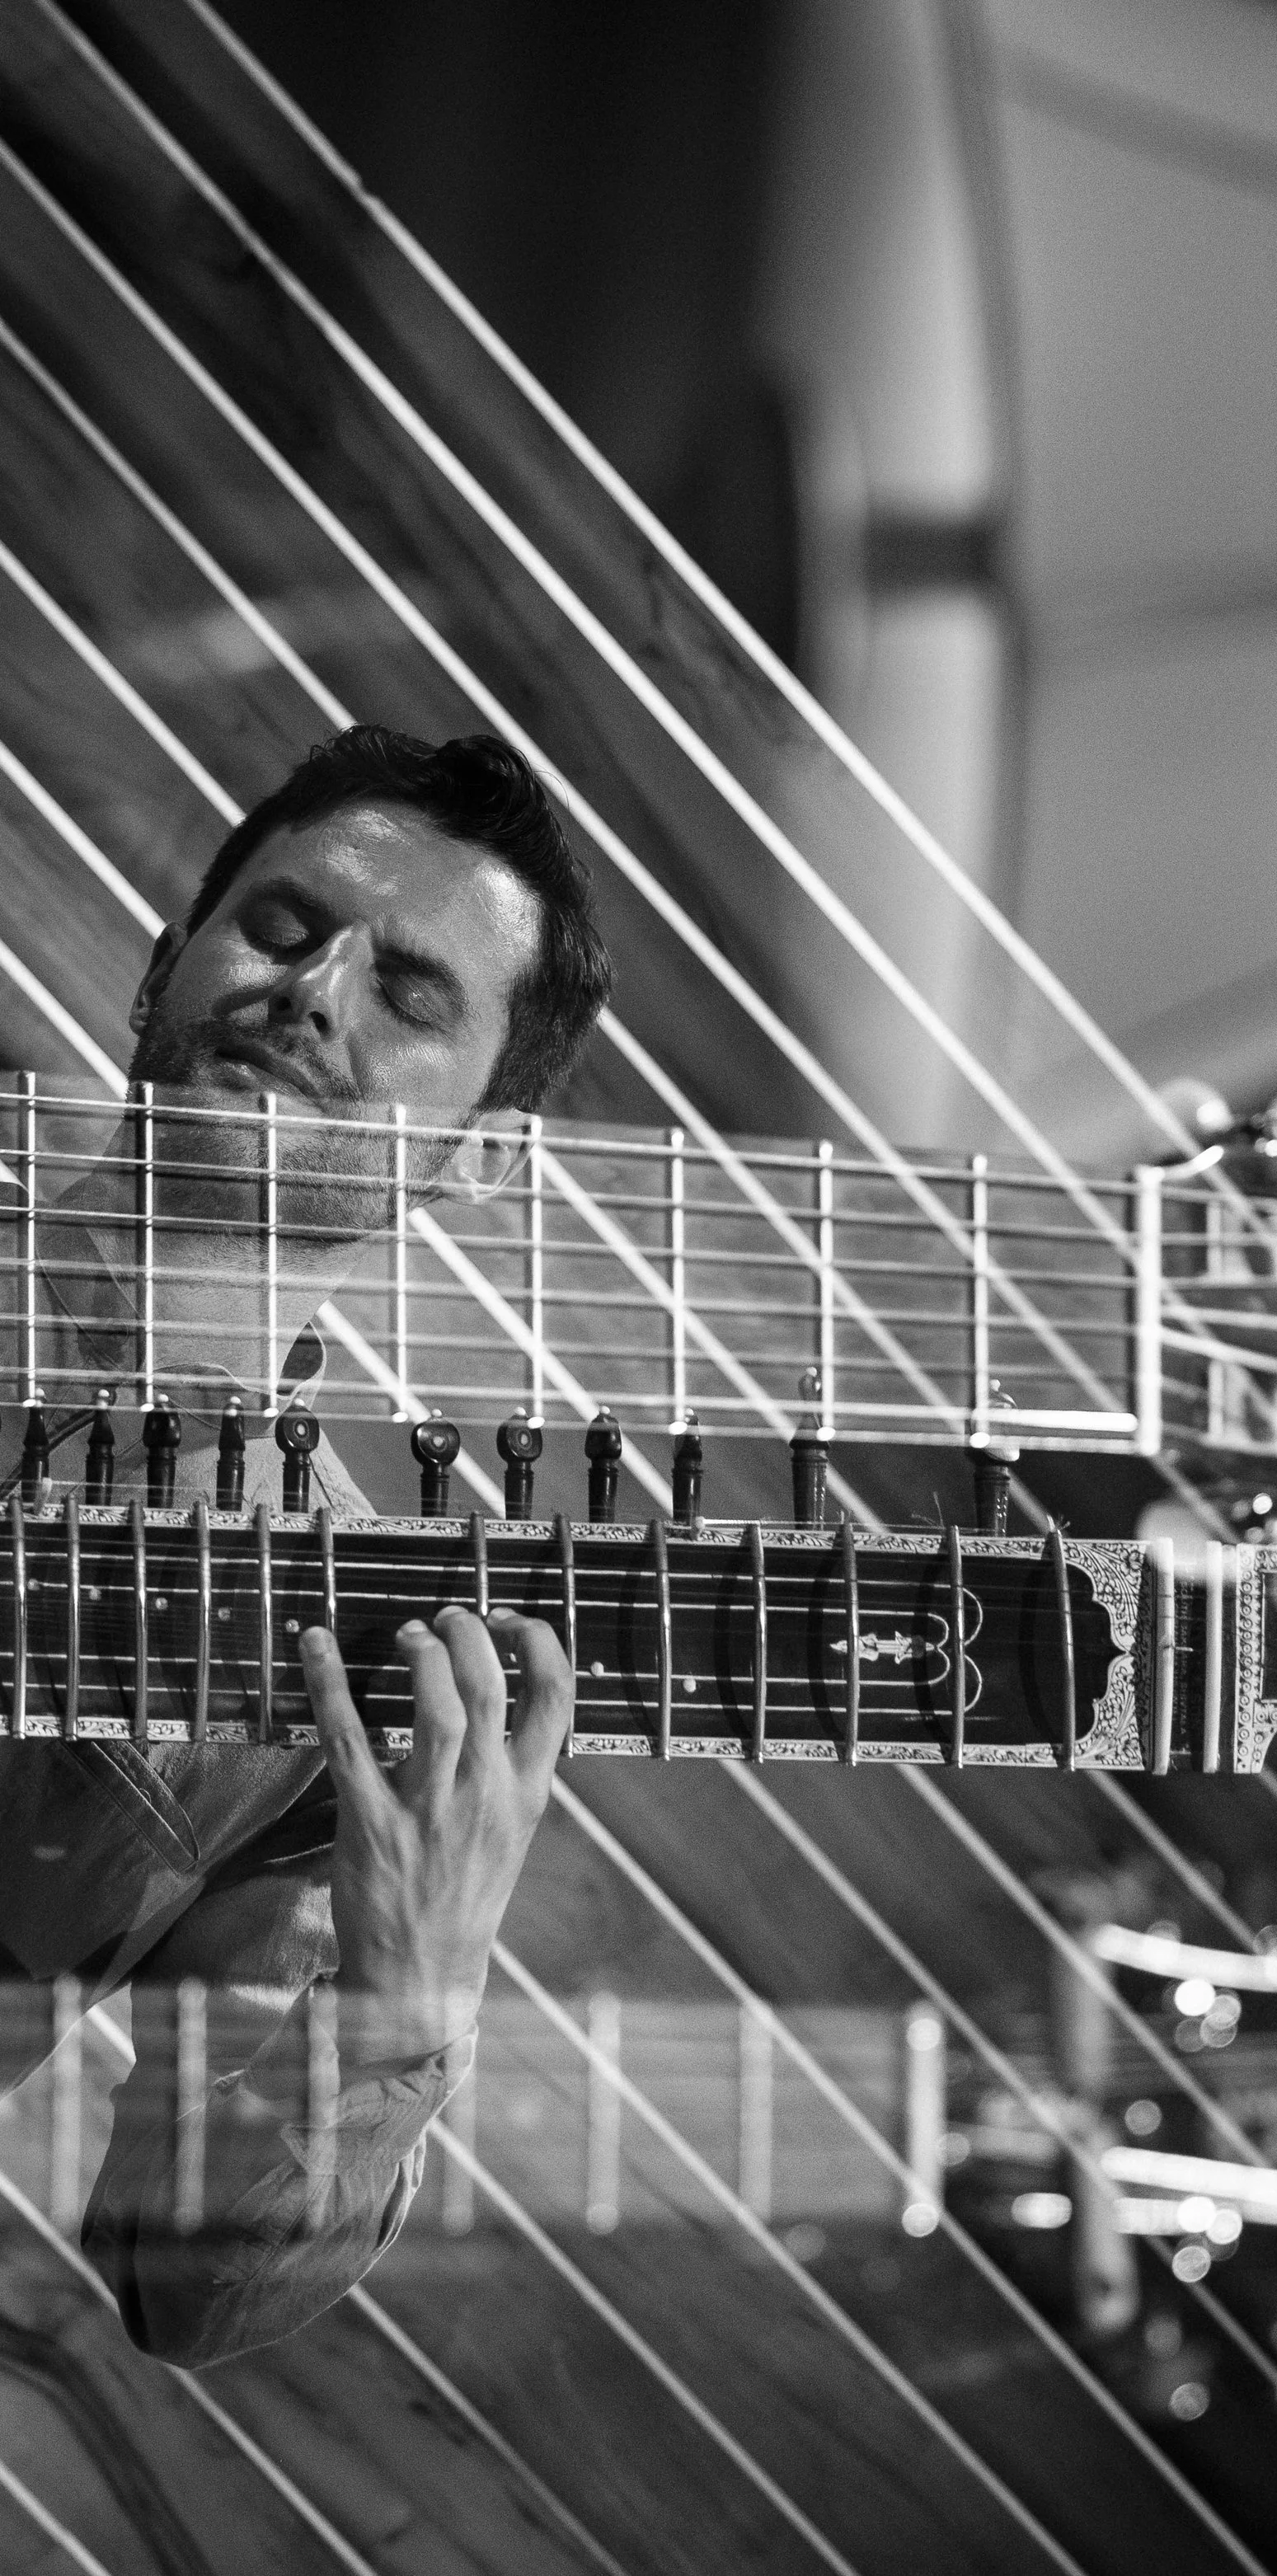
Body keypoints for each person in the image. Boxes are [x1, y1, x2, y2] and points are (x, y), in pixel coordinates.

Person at [0, 725, 613, 2363]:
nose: (312, 990)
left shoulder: (334, 1647)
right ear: (163, 970)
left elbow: (186, 2284)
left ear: (482, 1153)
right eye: (281, 927)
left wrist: (412, 1992)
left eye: (409, 993)